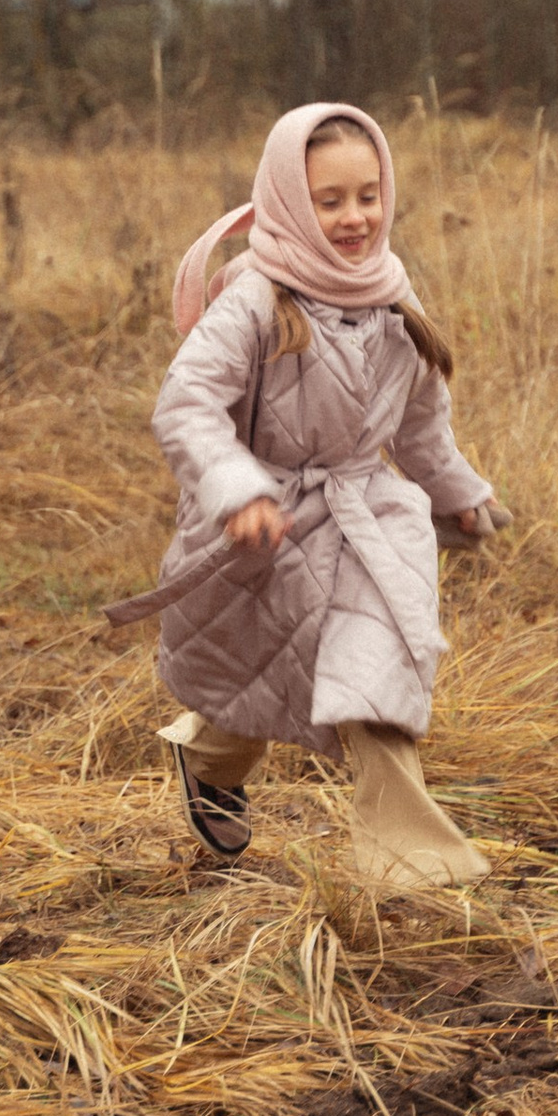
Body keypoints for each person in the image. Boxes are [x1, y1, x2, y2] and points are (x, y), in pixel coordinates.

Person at [139, 101, 504, 889]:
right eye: (329, 201)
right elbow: (187, 405)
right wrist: (237, 491)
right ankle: (209, 761)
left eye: (367, 196)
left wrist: (456, 494)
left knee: (376, 678)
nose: (354, 218)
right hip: (260, 531)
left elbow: (419, 423)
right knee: (252, 683)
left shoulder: (393, 294)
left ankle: (414, 873)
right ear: (289, 202)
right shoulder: (255, 301)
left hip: (369, 520)